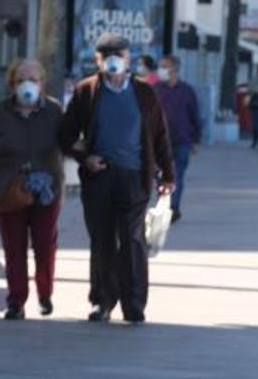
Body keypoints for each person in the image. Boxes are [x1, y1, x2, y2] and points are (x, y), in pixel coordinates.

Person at [59, 33, 176, 324]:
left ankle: (134, 304)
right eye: (107, 55)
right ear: (98, 60)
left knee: (132, 239)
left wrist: (168, 175)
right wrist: (85, 158)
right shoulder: (86, 91)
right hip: (99, 178)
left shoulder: (145, 93)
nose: (114, 60)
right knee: (102, 241)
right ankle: (103, 302)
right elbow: (64, 136)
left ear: (128, 59)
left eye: (120, 55)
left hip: (135, 178)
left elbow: (160, 136)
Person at [0, 58, 64, 320]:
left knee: (45, 245)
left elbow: (69, 141)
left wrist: (87, 157)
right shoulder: (1, 111)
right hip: (8, 187)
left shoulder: (54, 111)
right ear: (12, 83)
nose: (27, 85)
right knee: (14, 247)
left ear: (42, 83)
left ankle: (45, 294)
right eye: (21, 79)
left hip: (47, 188)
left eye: (33, 79)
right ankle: (16, 301)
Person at [155, 55, 202, 223]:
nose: (160, 70)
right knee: (160, 175)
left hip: (181, 140)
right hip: (159, 142)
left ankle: (173, 207)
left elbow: (195, 115)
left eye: (164, 66)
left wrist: (196, 139)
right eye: (160, 66)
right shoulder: (156, 89)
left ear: (174, 70)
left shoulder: (187, 91)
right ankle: (163, 203)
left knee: (178, 175)